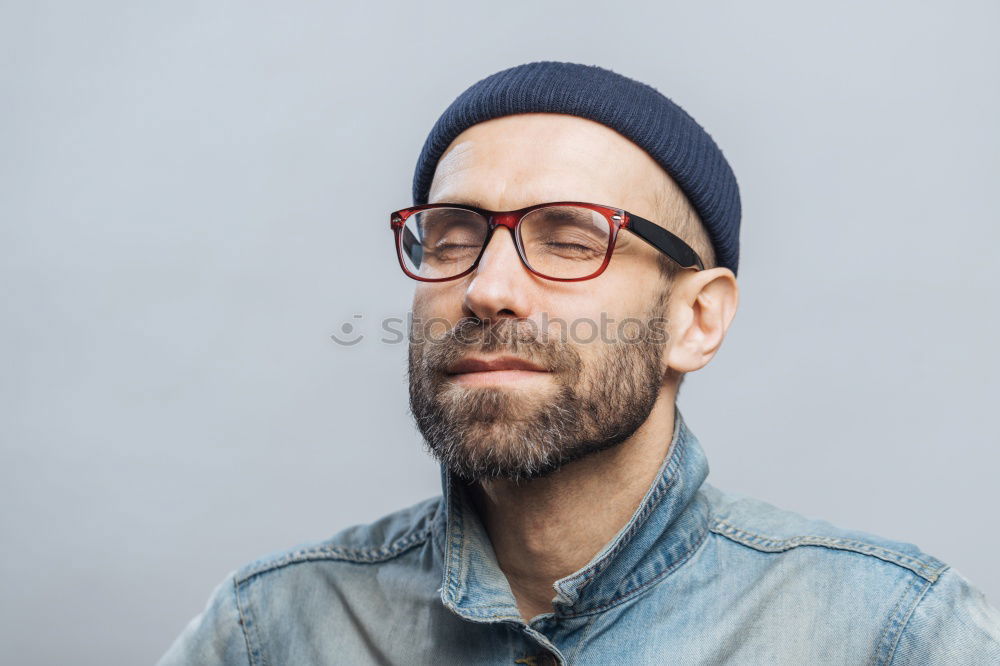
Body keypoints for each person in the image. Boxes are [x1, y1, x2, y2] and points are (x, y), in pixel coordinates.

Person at [158, 61, 1000, 665]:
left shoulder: (891, 633)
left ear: (696, 319)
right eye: (451, 238)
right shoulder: (270, 631)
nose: (487, 289)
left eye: (567, 240)